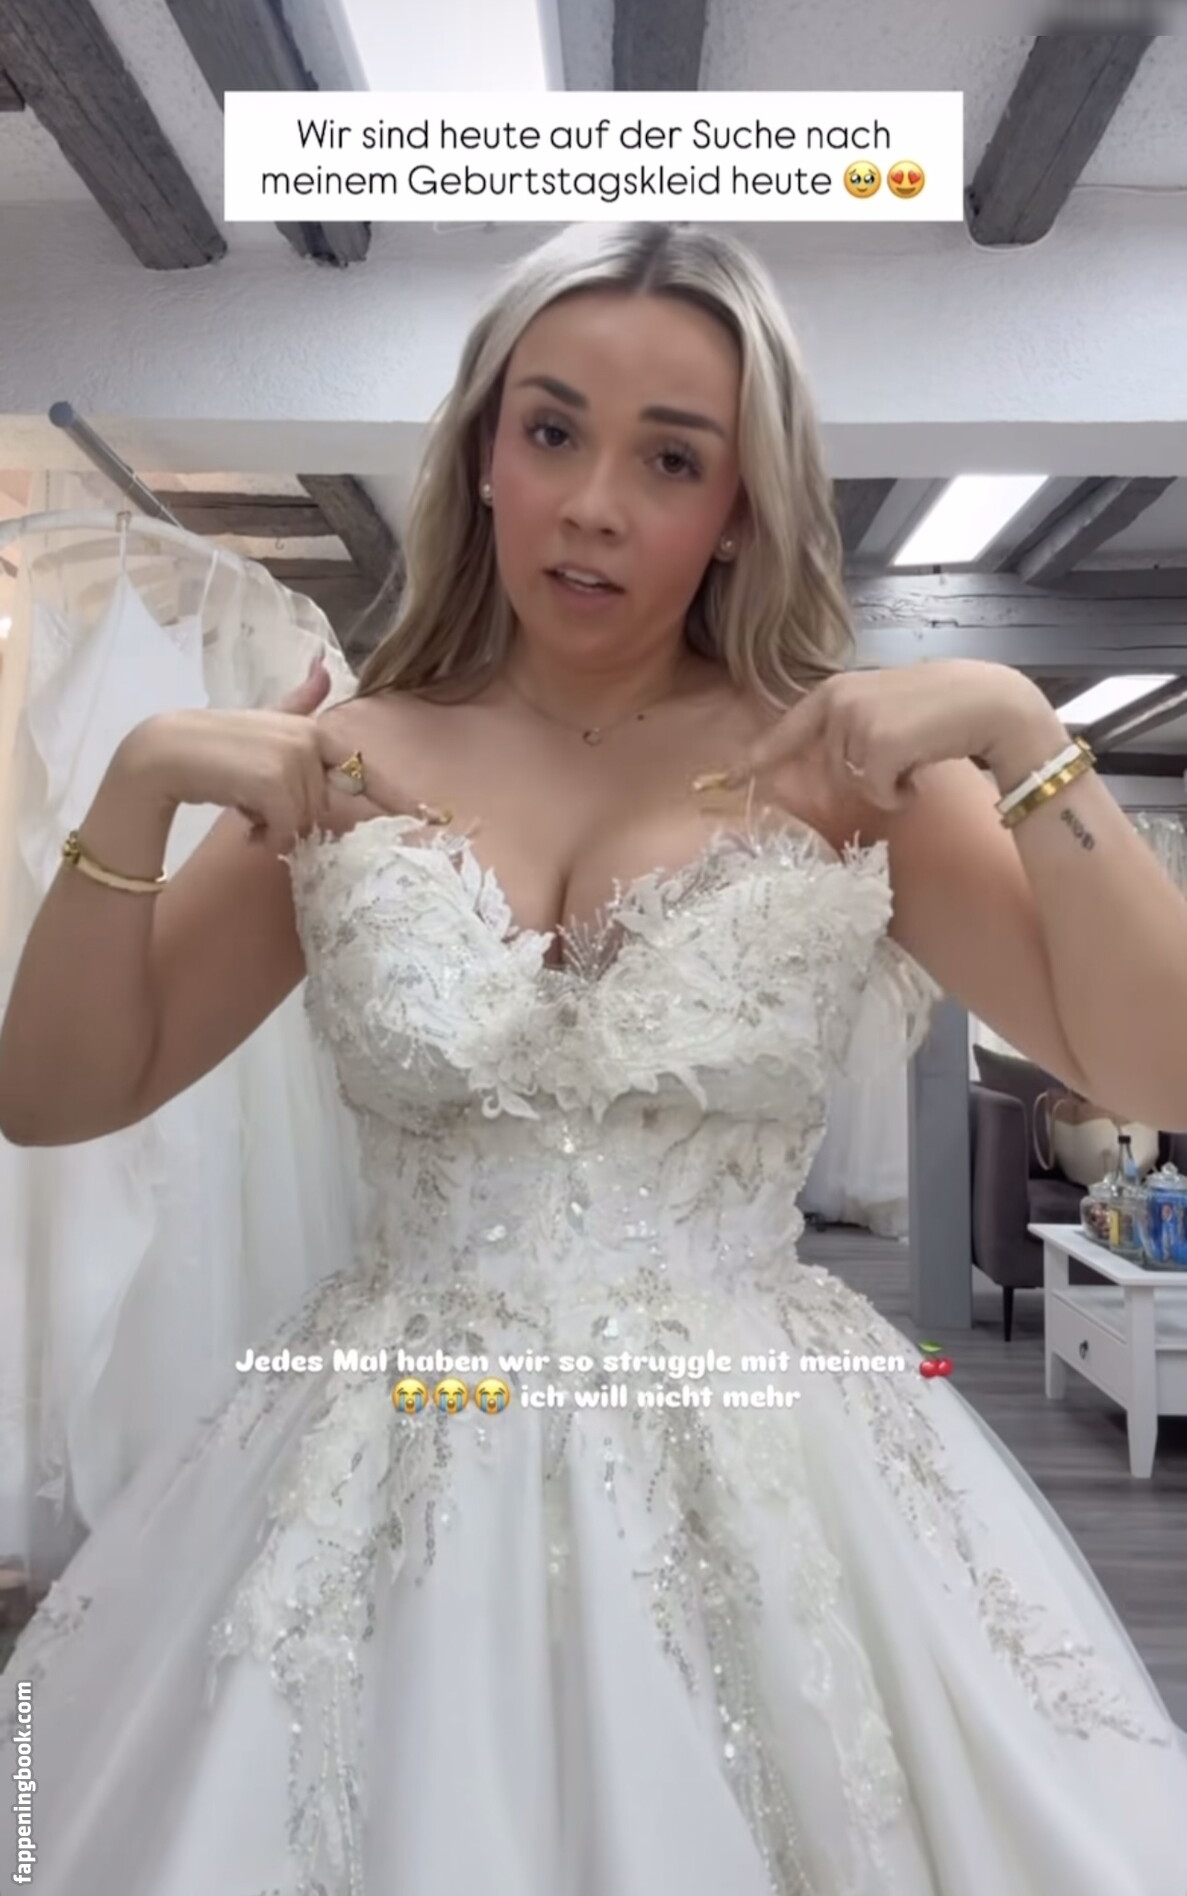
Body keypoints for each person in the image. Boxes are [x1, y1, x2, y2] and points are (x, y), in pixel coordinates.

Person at [1, 220, 1185, 1896]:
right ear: (483, 452)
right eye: (552, 430)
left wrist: (1023, 733)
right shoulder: (342, 764)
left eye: (672, 458)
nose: (596, 505)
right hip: (389, 1460)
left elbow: (1160, 1072)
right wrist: (134, 789)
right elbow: (54, 1096)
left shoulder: (847, 771)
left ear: (742, 506)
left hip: (775, 1477)